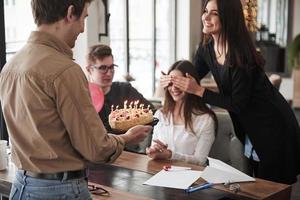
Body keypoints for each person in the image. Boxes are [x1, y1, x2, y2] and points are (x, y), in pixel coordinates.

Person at [0, 1, 152, 199]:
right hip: (59, 190)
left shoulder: (11, 66)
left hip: (21, 186)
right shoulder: (65, 71)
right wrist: (126, 138)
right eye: (85, 18)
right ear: (71, 13)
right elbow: (97, 148)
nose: (83, 28)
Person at [160, 0, 300, 184]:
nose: (206, 17)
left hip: (273, 125)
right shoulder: (206, 49)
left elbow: (237, 104)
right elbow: (191, 75)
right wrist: (172, 80)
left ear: (228, 18)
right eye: (205, 11)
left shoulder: (242, 55)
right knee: (256, 187)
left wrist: (199, 90)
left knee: (272, 188)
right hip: (251, 127)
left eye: (214, 13)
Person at [86, 44, 155, 153]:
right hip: (99, 154)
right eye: (103, 68)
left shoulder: (125, 90)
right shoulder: (83, 97)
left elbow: (152, 113)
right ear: (89, 70)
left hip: (130, 154)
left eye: (112, 67)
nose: (109, 73)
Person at [146, 60, 217, 165]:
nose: (174, 88)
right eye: (170, 83)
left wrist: (170, 155)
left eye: (179, 83)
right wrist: (154, 151)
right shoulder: (160, 115)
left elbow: (200, 161)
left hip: (191, 177)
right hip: (160, 173)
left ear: (191, 84)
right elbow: (154, 147)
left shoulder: (205, 120)